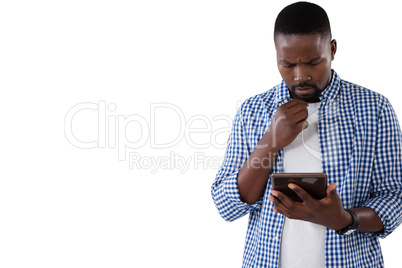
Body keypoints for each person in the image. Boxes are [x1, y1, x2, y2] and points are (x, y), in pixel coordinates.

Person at [211, 2, 402, 267]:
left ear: (332, 49)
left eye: (313, 62)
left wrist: (344, 220)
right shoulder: (253, 110)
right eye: (287, 64)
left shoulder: (374, 108)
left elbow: (395, 197)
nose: (300, 76)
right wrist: (269, 143)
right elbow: (226, 206)